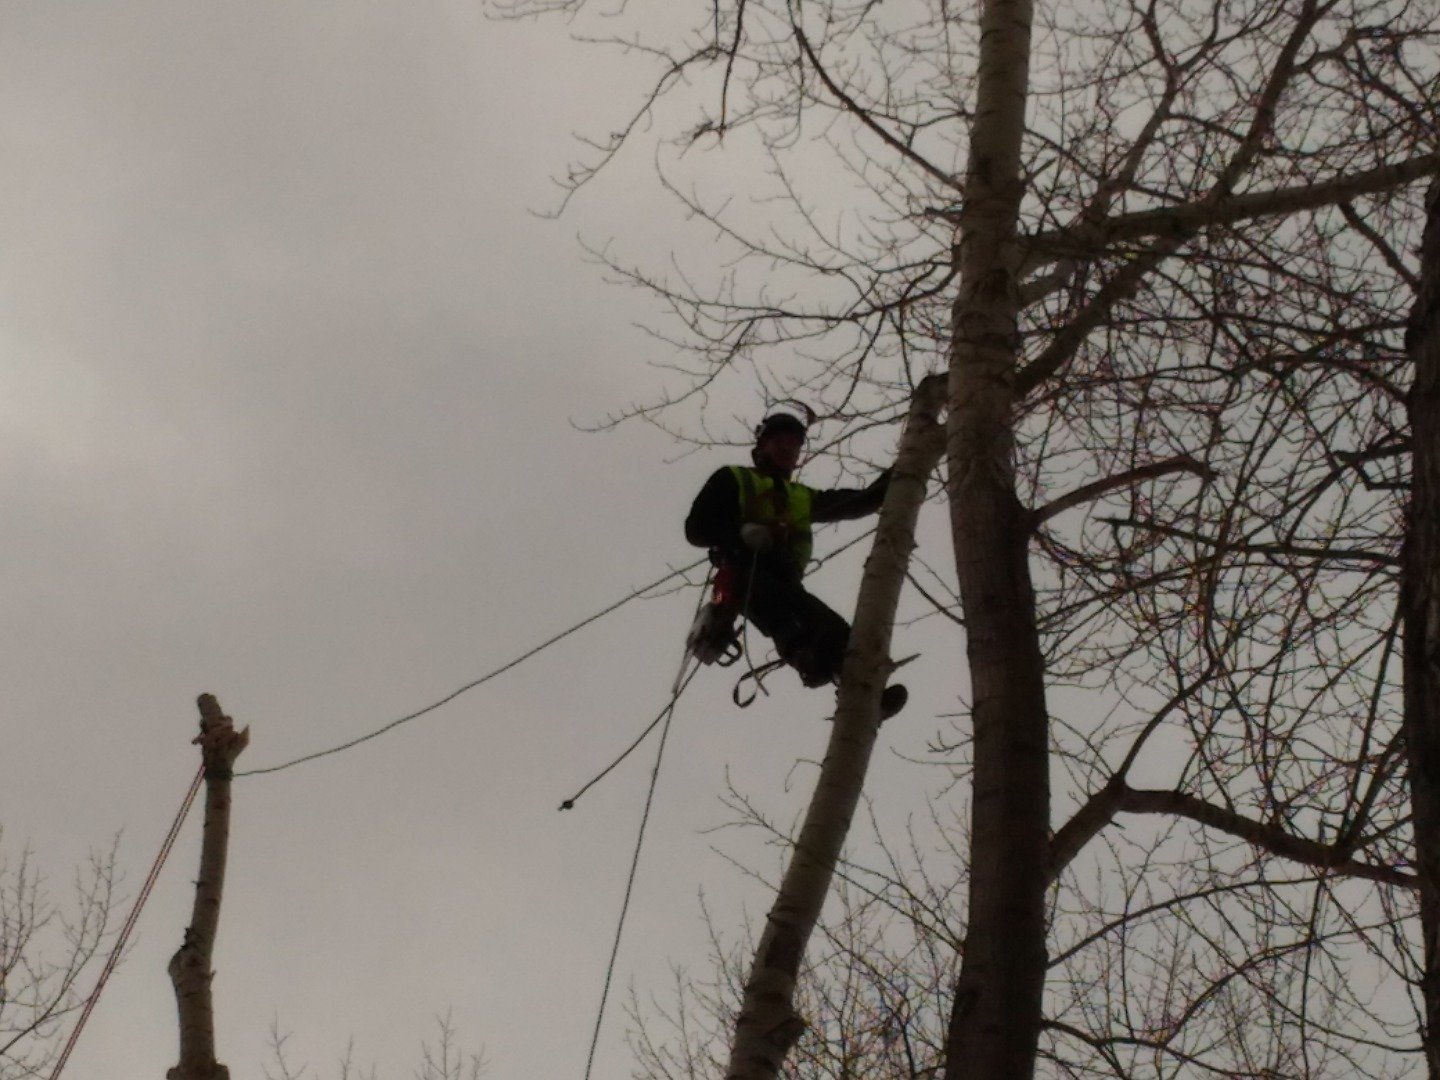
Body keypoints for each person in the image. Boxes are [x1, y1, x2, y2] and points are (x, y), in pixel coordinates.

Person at [684, 410, 908, 718]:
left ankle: (867, 694)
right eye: (779, 441)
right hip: (744, 572)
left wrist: (904, 467)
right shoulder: (734, 479)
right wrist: (739, 535)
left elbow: (859, 501)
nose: (787, 449)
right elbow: (696, 528)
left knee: (836, 629)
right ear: (761, 446)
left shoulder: (801, 497)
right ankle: (806, 657)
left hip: (784, 579)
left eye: (793, 444)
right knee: (786, 617)